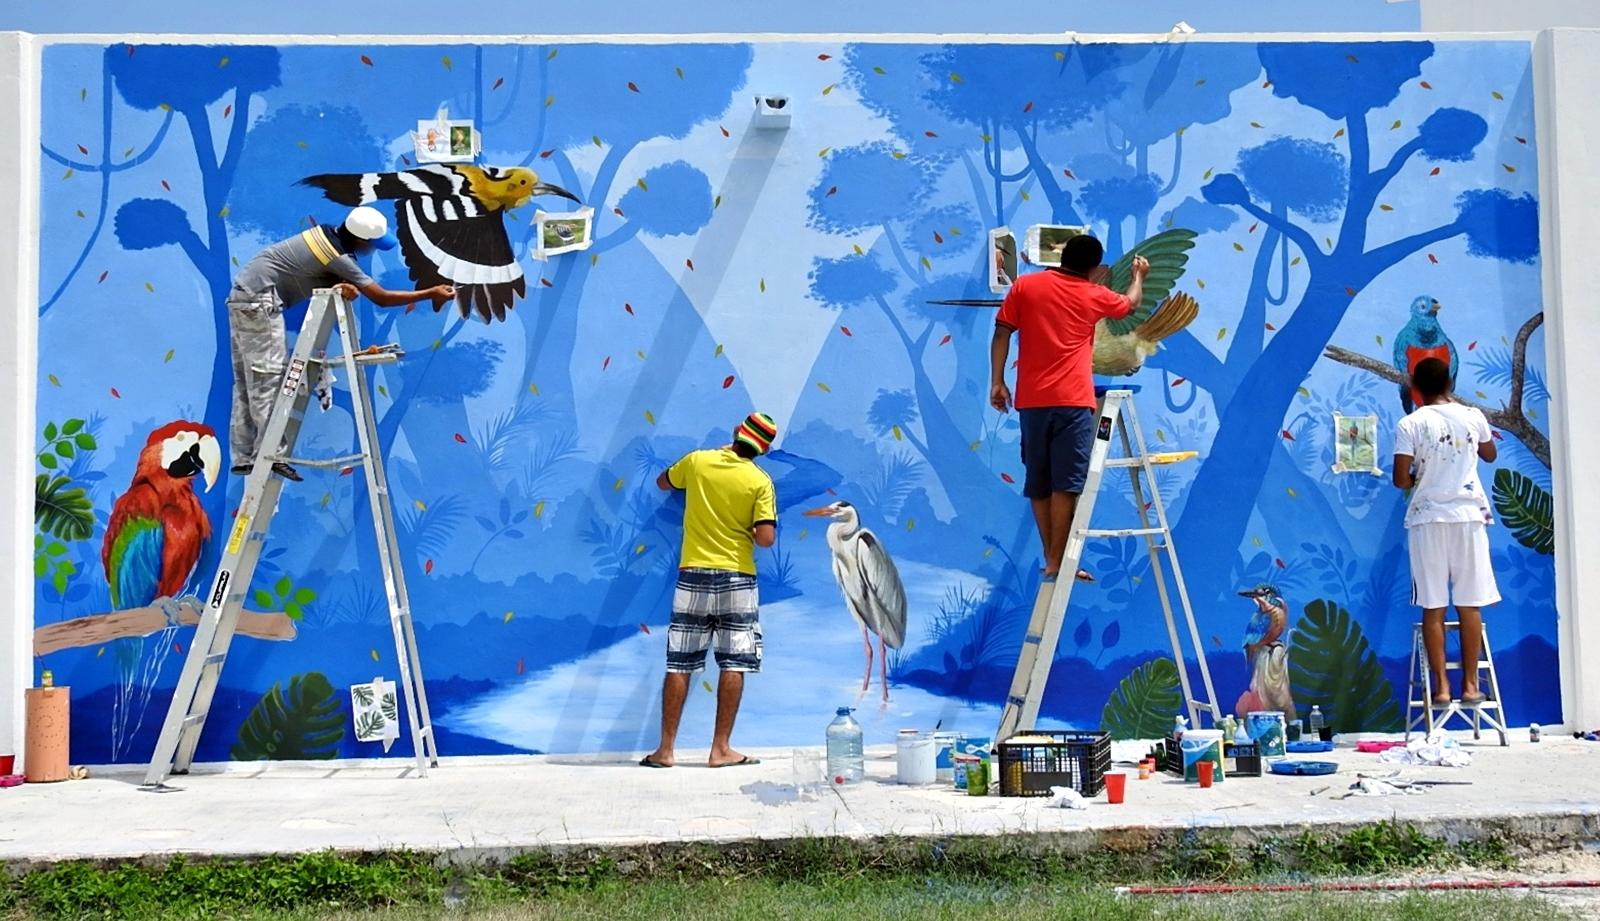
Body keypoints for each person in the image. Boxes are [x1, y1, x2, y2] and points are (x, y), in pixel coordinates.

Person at [227, 206, 454, 481]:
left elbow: (315, 269)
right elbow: (380, 298)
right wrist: (430, 292)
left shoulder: (324, 234)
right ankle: (271, 456)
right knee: (268, 381)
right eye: (373, 246)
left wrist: (341, 283)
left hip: (244, 297)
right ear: (360, 240)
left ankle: (245, 457)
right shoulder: (337, 255)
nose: (372, 251)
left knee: (247, 382)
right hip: (262, 304)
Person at [989, 234, 1149, 581]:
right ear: (1093, 268)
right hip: (1073, 401)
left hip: (1032, 400)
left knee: (1039, 482)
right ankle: (1058, 560)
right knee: (1067, 483)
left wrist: (997, 381)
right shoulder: (1093, 294)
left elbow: (1001, 333)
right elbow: (1131, 304)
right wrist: (1138, 277)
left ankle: (1053, 558)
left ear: (1062, 258)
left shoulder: (1025, 287)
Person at [641, 413, 779, 769]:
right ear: (762, 449)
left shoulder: (698, 461)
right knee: (734, 662)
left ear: (737, 433)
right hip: (737, 577)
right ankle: (720, 750)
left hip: (693, 574)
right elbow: (765, 539)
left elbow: (662, 483)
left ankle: (665, 750)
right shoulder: (759, 480)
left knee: (679, 662)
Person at [1393, 356, 1500, 706]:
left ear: (1416, 389)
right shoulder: (1472, 416)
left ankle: (1441, 687)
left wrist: (1418, 477)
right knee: (1470, 606)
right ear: (1451, 383)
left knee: (1433, 607)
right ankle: (1470, 685)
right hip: (1469, 516)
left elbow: (1400, 479)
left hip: (1428, 520)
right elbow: (1489, 454)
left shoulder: (1411, 423)